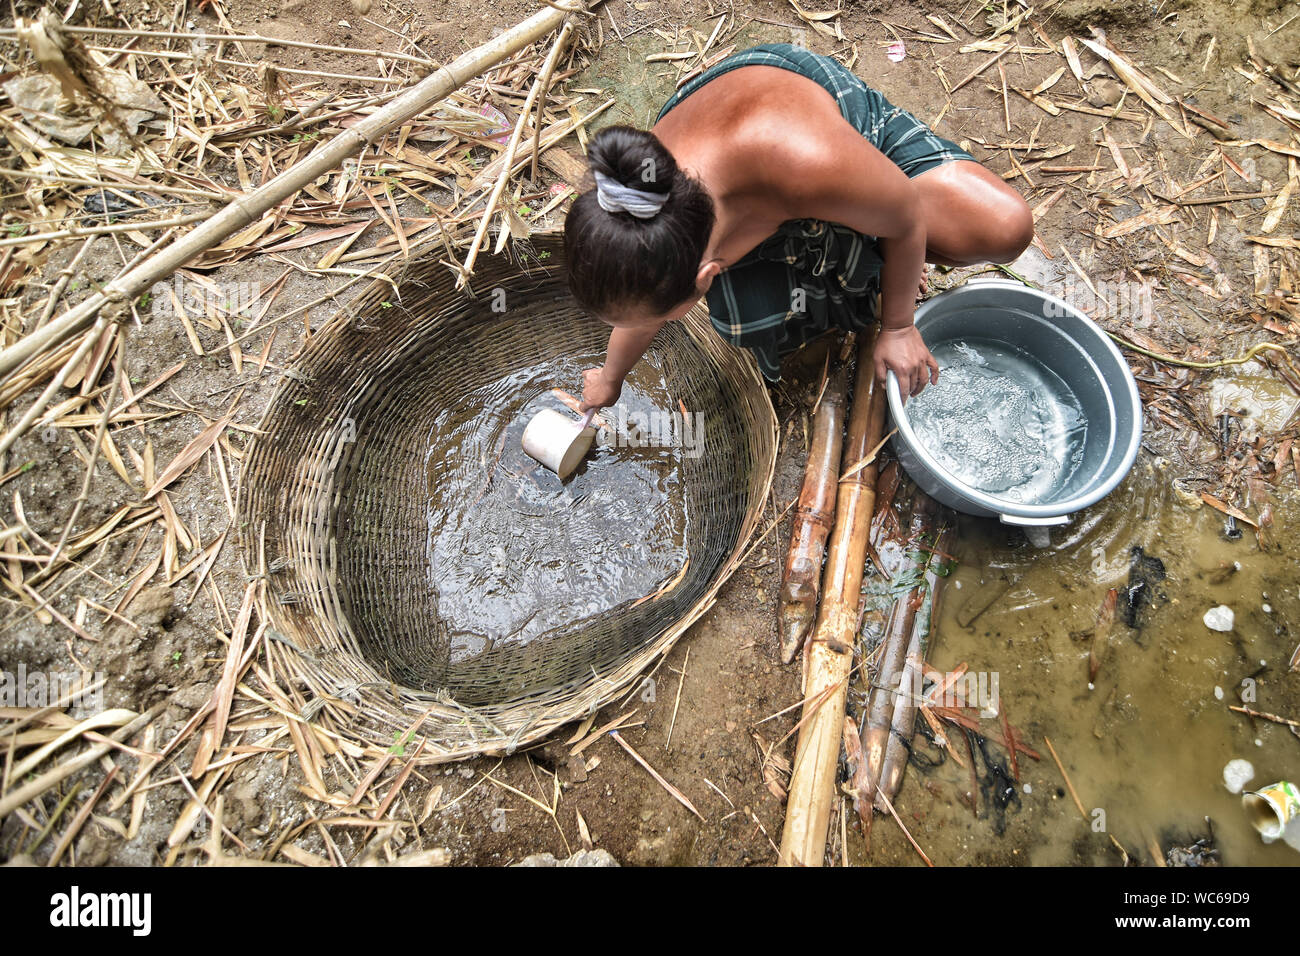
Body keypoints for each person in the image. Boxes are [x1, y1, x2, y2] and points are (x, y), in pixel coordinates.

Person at [563, 42, 1034, 408]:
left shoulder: (807, 164)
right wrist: (609, 379)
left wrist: (898, 325)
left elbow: (907, 213)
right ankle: (863, 243)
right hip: (751, 158)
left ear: (708, 274)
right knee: (755, 314)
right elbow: (642, 306)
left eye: (667, 314)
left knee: (1004, 229)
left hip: (797, 116)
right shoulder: (641, 208)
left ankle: (870, 239)